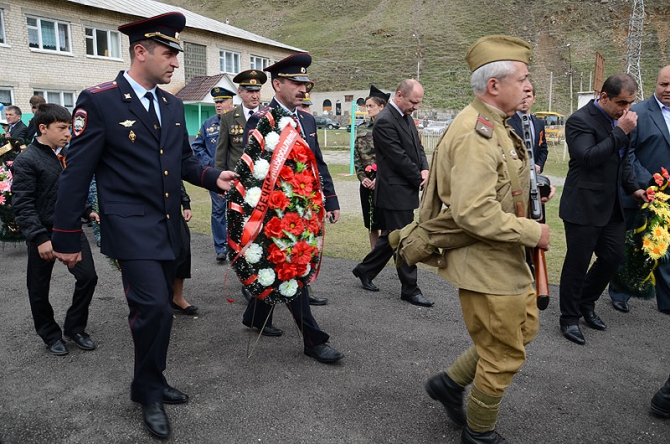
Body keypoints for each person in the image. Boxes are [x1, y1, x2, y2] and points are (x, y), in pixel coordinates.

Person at [49, 12, 236, 440]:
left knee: (158, 313)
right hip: (130, 227)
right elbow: (77, 172)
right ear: (140, 51)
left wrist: (213, 177)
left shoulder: (171, 104)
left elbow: (183, 160)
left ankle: (151, 378)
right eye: (169, 53)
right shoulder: (99, 100)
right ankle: (148, 392)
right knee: (152, 306)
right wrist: (65, 236)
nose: (175, 63)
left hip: (168, 224)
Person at [423, 35, 550, 444]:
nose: (529, 86)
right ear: (494, 86)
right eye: (523, 78)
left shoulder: (494, 125)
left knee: (520, 330)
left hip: (501, 254)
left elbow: (496, 187)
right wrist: (533, 231)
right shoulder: (476, 133)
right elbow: (473, 212)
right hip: (485, 259)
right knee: (504, 351)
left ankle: (449, 383)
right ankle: (479, 435)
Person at [239, 52, 343, 363]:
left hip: (305, 212)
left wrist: (331, 199)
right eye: (297, 82)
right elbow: (251, 170)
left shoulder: (308, 119)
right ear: (278, 83)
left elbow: (318, 164)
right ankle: (313, 339)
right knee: (290, 271)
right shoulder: (261, 120)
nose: (303, 88)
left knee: (280, 270)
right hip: (275, 216)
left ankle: (255, 316)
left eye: (306, 83)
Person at [558, 73, 647, 345]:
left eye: (631, 103)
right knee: (578, 262)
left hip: (612, 206)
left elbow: (623, 162)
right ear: (604, 97)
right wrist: (621, 131)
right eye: (621, 102)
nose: (626, 110)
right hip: (583, 205)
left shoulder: (621, 121)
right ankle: (569, 317)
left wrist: (634, 189)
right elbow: (588, 158)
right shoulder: (579, 120)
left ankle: (586, 302)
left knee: (613, 257)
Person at [11, 103, 99, 356]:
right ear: (43, 128)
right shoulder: (27, 160)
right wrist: (39, 238)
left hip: (69, 229)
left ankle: (75, 327)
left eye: (69, 128)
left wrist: (87, 210)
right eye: (61, 128)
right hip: (43, 232)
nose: (68, 133)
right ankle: (50, 334)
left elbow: (72, 190)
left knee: (88, 277)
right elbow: (23, 203)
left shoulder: (68, 155)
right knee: (39, 288)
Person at [351, 79, 433, 307]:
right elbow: (398, 158)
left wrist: (425, 168)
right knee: (405, 239)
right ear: (399, 95)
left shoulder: (406, 117)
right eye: (413, 102)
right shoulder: (385, 120)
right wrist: (419, 178)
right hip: (393, 190)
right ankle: (410, 289)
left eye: (418, 103)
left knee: (391, 236)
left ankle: (364, 270)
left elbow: (418, 147)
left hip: (404, 188)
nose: (416, 106)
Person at [608, 66, 670, 315]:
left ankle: (666, 301)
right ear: (656, 84)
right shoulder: (637, 113)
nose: (668, 90)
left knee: (666, 249)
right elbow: (628, 154)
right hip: (641, 194)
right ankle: (620, 294)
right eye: (664, 84)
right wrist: (653, 183)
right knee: (632, 246)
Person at [191, 86, 236, 263]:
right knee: (218, 211)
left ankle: (237, 245)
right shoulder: (208, 124)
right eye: (216, 102)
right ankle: (221, 248)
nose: (218, 105)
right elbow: (197, 146)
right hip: (216, 176)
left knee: (238, 211)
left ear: (231, 103)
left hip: (236, 176)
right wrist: (210, 164)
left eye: (222, 101)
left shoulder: (239, 122)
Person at [353, 84, 389, 249]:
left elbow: (391, 158)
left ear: (382, 106)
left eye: (371, 106)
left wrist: (380, 179)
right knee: (371, 223)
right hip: (367, 184)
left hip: (385, 183)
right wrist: (363, 179)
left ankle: (381, 256)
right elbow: (357, 157)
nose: (367, 109)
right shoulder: (361, 129)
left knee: (385, 223)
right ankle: (373, 255)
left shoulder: (390, 129)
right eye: (366, 106)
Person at [508, 84, 548, 174]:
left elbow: (543, 149)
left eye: (528, 97)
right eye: (521, 96)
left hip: (533, 176)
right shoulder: (507, 122)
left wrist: (539, 165)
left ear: (534, 99)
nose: (524, 100)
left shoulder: (539, 123)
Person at [171, 182, 198, 315]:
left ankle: (177, 297)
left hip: (172, 209)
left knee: (183, 249)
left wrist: (185, 203)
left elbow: (176, 177)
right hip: (149, 210)